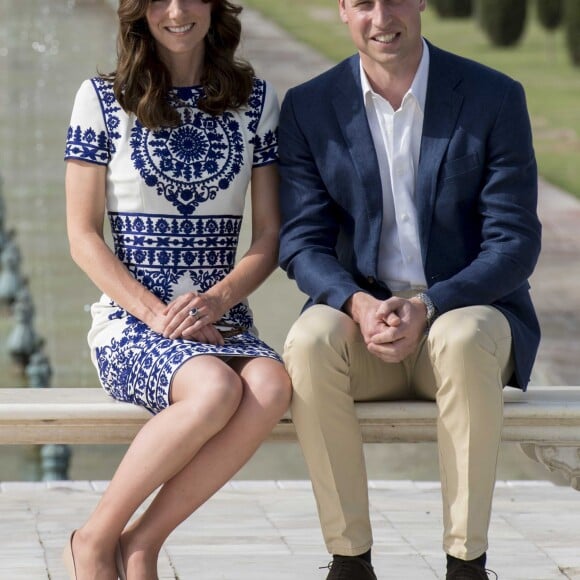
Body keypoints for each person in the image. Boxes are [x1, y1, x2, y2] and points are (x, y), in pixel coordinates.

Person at [278, 0, 541, 578]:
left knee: (464, 335)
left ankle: (465, 562)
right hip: (364, 329)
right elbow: (301, 243)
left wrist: (428, 305)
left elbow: (514, 244)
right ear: (342, 9)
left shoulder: (493, 96)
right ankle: (349, 561)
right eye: (363, 2)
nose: (381, 17)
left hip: (465, 321)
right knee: (307, 341)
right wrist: (358, 303)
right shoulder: (308, 107)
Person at [62, 0, 292, 577]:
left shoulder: (257, 102)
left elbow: (269, 236)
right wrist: (156, 314)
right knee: (214, 388)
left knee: (270, 383)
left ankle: (143, 543)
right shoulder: (100, 99)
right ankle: (95, 537)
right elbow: (83, 237)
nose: (177, 10)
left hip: (223, 318)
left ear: (215, 8)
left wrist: (217, 300)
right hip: (131, 323)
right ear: (139, 12)